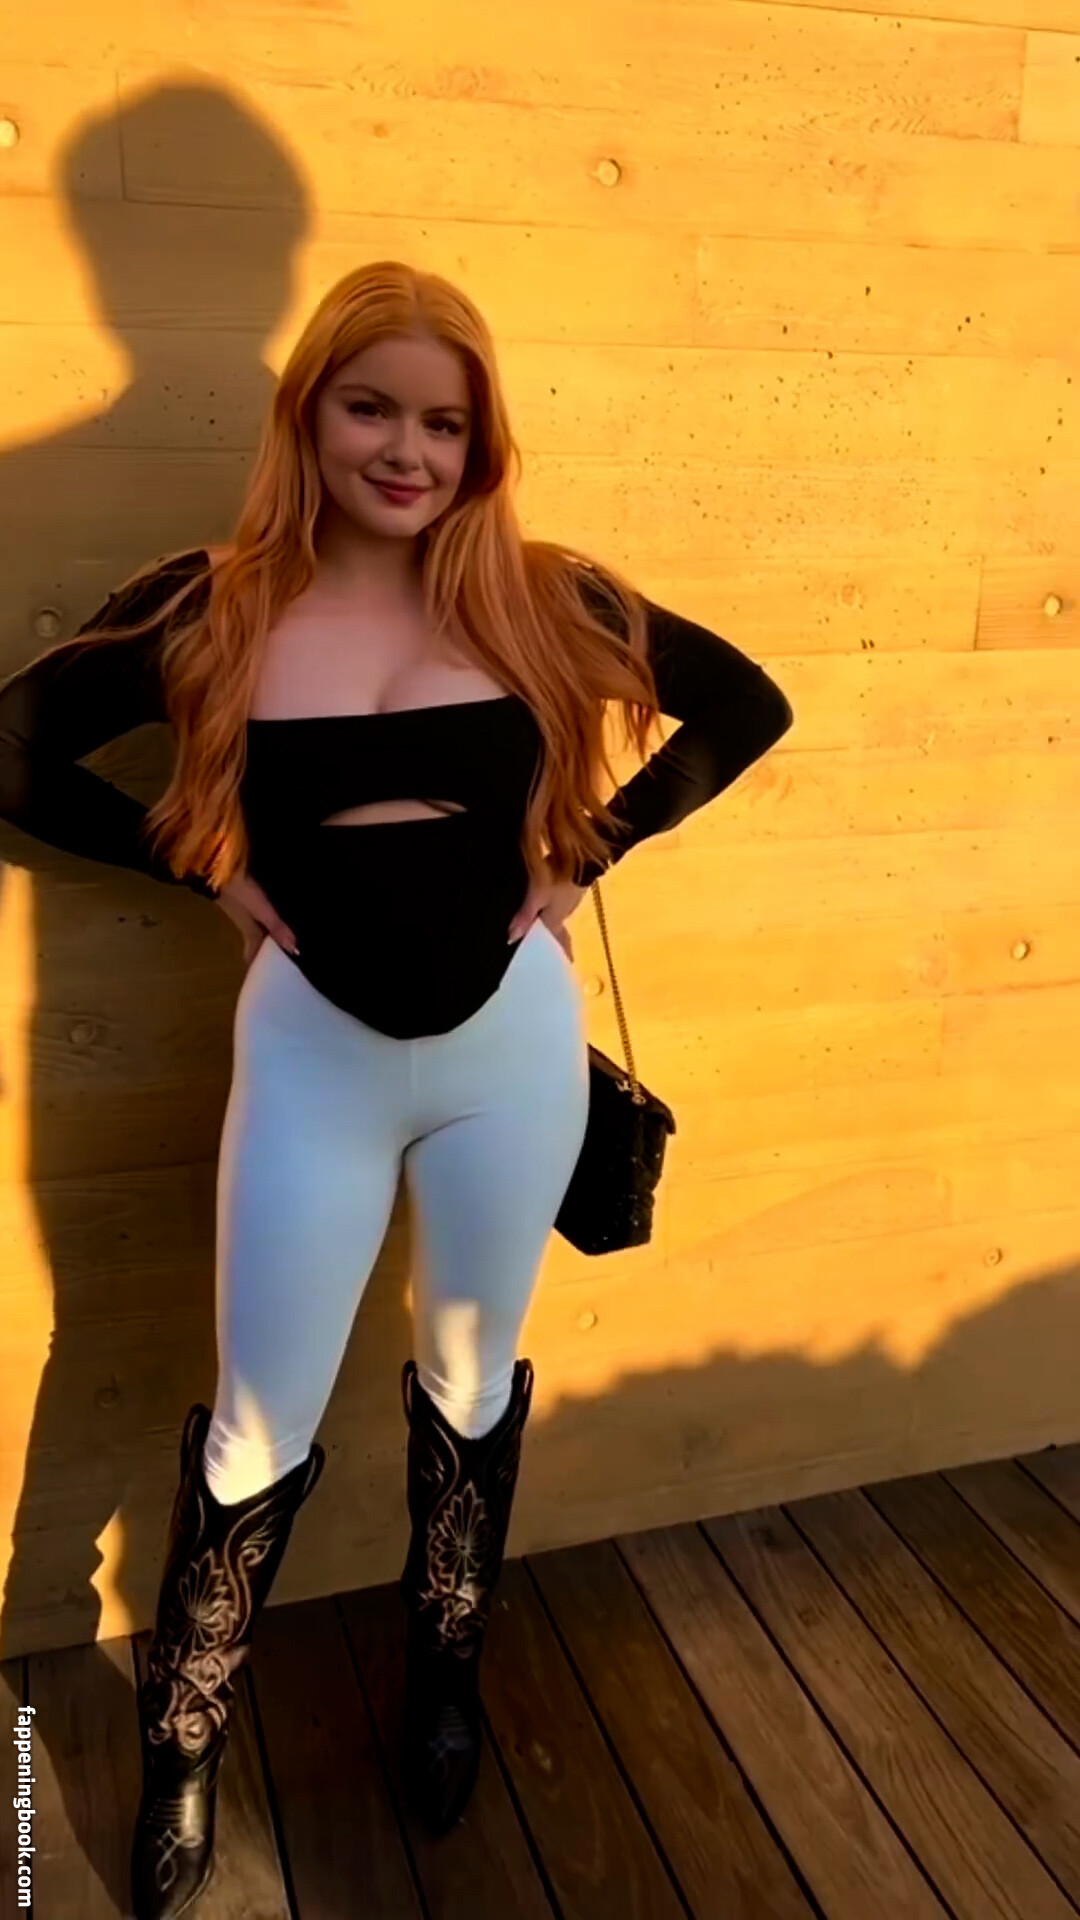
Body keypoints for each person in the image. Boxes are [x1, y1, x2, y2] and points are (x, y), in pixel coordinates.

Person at [0, 259, 794, 1918]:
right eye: (374, 408)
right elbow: (11, 748)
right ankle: (185, 1740)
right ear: (311, 415)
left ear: (482, 442)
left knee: (470, 1376)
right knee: (256, 1419)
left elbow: (745, 704)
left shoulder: (543, 599)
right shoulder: (213, 604)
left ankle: (446, 1676)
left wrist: (592, 849)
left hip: (511, 1054)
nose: (409, 451)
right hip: (313, 1056)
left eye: (446, 422)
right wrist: (196, 862)